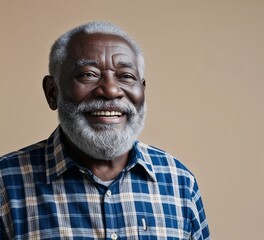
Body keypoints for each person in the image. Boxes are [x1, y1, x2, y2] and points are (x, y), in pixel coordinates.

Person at [0, 21, 210, 240]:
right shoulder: (5, 184)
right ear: (52, 92)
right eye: (88, 74)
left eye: (126, 76)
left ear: (143, 89)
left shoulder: (179, 182)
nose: (110, 90)